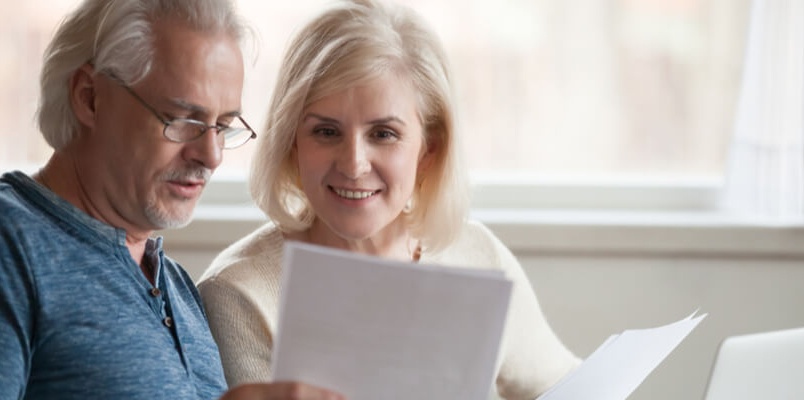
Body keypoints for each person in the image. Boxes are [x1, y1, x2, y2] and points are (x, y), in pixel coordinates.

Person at [198, 0, 581, 399]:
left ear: (429, 148)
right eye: (326, 132)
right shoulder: (240, 294)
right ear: (292, 141)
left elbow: (567, 386)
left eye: (383, 134)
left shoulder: (477, 254)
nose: (353, 164)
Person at [0, 0, 342, 399]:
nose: (211, 155)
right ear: (90, 97)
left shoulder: (176, 285)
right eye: (184, 121)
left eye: (223, 126)